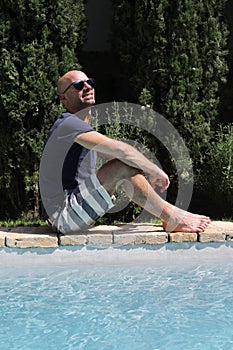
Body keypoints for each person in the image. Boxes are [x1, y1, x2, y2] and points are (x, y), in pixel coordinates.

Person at [39, 70, 211, 234]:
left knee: (125, 164)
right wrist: (154, 170)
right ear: (63, 98)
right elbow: (121, 150)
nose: (87, 87)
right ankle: (171, 216)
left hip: (70, 212)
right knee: (122, 166)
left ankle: (169, 214)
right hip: (63, 215)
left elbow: (116, 154)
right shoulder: (67, 124)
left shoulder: (81, 129)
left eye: (89, 82)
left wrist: (139, 168)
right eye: (78, 85)